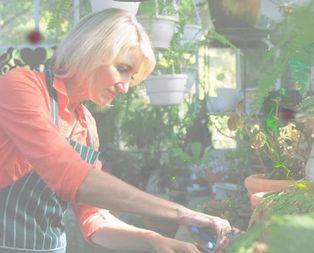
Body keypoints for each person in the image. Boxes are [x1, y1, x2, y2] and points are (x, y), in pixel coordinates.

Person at [0, 8, 231, 253]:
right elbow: (68, 174)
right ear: (92, 49)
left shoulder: (86, 126)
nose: (125, 88)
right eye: (122, 68)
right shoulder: (20, 87)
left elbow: (94, 219)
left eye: (131, 77)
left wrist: (153, 240)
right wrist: (181, 213)